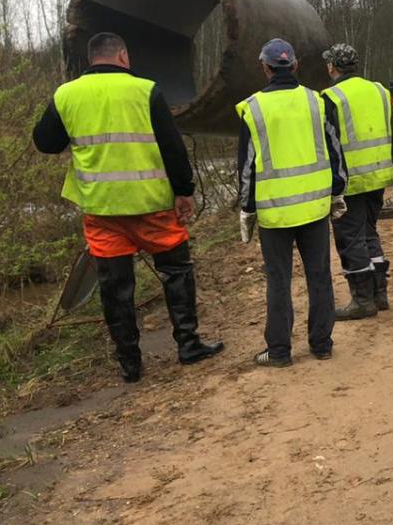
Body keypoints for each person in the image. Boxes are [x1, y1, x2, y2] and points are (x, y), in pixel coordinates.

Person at [32, 32, 224, 382]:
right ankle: (188, 345)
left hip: (103, 211)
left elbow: (45, 142)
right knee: (177, 273)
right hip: (152, 206)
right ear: (122, 57)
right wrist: (184, 191)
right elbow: (172, 146)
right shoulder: (145, 90)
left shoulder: (66, 94)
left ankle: (130, 364)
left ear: (93, 59)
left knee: (115, 288)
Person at [237, 38, 347, 367]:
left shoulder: (252, 109)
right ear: (295, 66)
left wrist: (247, 209)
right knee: (319, 276)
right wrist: (338, 191)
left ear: (265, 67)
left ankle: (281, 351)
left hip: (274, 212)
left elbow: (246, 167)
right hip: (314, 208)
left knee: (279, 280)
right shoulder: (317, 102)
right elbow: (335, 151)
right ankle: (322, 344)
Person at [321, 43, 393, 319]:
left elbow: (329, 144)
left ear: (333, 67)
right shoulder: (379, 90)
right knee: (369, 232)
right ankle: (379, 293)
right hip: (378, 175)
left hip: (349, 180)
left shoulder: (330, 97)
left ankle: (362, 300)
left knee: (350, 238)